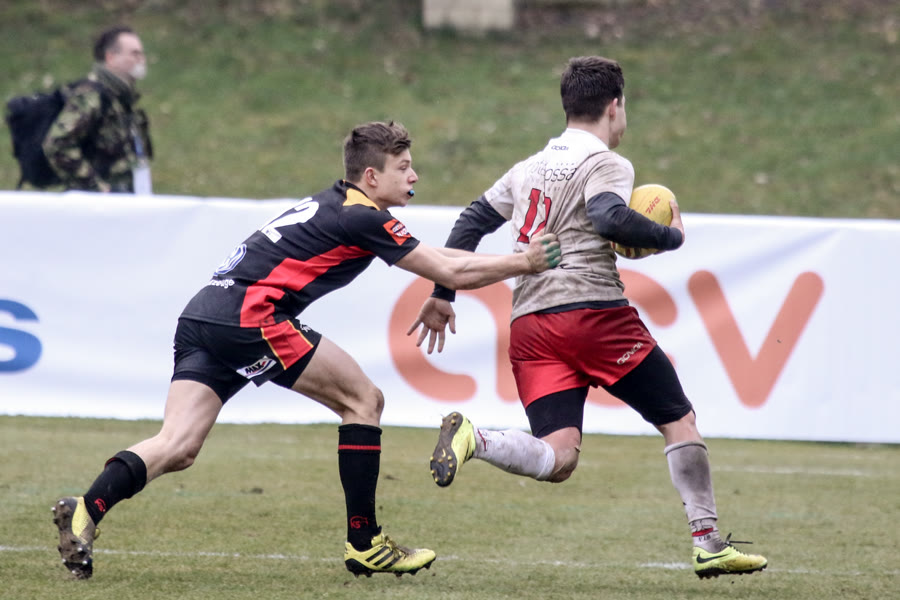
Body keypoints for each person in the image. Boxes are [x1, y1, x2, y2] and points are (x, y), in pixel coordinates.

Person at [51, 121, 561, 580]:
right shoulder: (363, 217)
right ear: (371, 175)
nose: (415, 176)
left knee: (177, 445)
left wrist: (450, 285)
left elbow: (440, 261)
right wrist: (526, 261)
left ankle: (87, 509)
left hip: (204, 314)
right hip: (251, 315)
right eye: (404, 167)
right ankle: (366, 543)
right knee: (363, 401)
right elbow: (448, 268)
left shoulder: (341, 204)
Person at [408, 56, 768, 579]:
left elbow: (471, 221)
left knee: (558, 457)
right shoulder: (607, 162)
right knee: (678, 419)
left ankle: (475, 439)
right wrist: (670, 237)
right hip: (592, 313)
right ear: (614, 106)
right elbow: (608, 217)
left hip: (531, 325)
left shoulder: (528, 167)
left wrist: (444, 292)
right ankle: (708, 542)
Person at [43, 25, 152, 193]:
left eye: (141, 54)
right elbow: (57, 144)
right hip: (99, 202)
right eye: (134, 54)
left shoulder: (121, 97)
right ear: (111, 58)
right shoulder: (92, 95)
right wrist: (96, 187)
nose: (141, 59)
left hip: (125, 195)